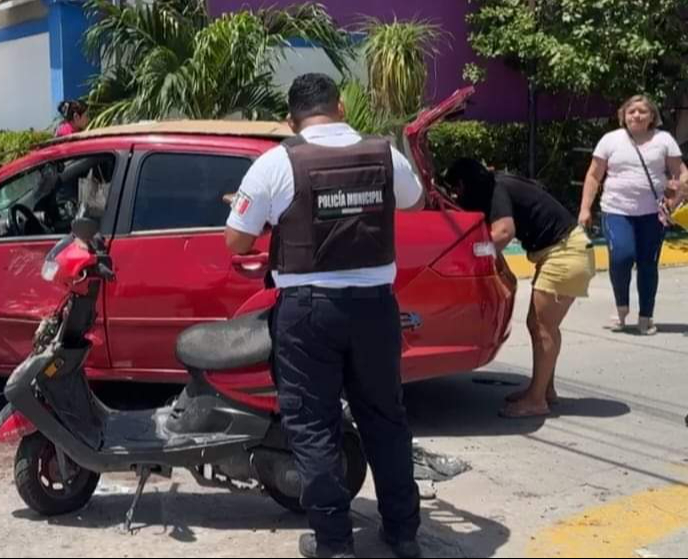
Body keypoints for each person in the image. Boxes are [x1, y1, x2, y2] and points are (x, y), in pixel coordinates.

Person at [224, 73, 425, 559]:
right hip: (375, 308)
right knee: (385, 419)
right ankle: (402, 533)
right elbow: (415, 200)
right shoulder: (384, 154)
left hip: (308, 313)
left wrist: (260, 211)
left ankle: (334, 543)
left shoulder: (275, 163)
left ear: (290, 119)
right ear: (340, 106)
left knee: (313, 425)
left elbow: (236, 241)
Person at [445, 158, 596, 418]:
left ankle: (536, 400)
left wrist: (471, 253)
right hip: (566, 251)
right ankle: (544, 390)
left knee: (541, 327)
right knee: (542, 326)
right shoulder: (500, 183)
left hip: (564, 254)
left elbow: (503, 233)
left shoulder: (496, 190)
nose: (455, 195)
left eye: (455, 189)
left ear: (462, 184)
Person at [579, 94, 688, 335]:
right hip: (616, 210)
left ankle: (646, 316)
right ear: (623, 115)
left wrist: (675, 199)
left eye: (642, 111)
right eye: (631, 111)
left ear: (652, 117)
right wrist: (585, 208)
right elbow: (594, 175)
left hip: (653, 213)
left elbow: (682, 174)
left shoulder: (664, 140)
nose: (636, 115)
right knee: (621, 257)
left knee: (648, 264)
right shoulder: (611, 140)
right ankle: (621, 309)